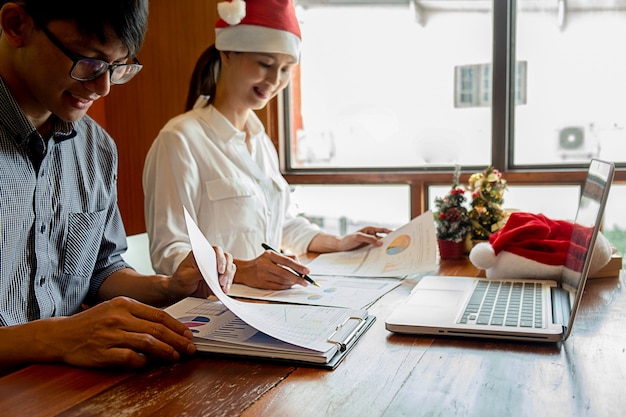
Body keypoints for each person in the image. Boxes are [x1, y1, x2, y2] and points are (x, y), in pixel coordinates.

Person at [0, 0, 236, 374]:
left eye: (118, 67)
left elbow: (101, 271)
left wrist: (170, 287)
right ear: (17, 26)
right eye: (90, 62)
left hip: (70, 387)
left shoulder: (96, 148)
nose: (103, 87)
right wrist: (58, 337)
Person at [143, 0, 390, 291]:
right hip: (215, 311)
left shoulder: (260, 141)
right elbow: (168, 252)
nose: (275, 80)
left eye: (286, 70)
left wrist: (338, 242)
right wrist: (243, 270)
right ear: (228, 53)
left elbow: (281, 223)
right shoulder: (181, 139)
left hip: (265, 302)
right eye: (265, 64)